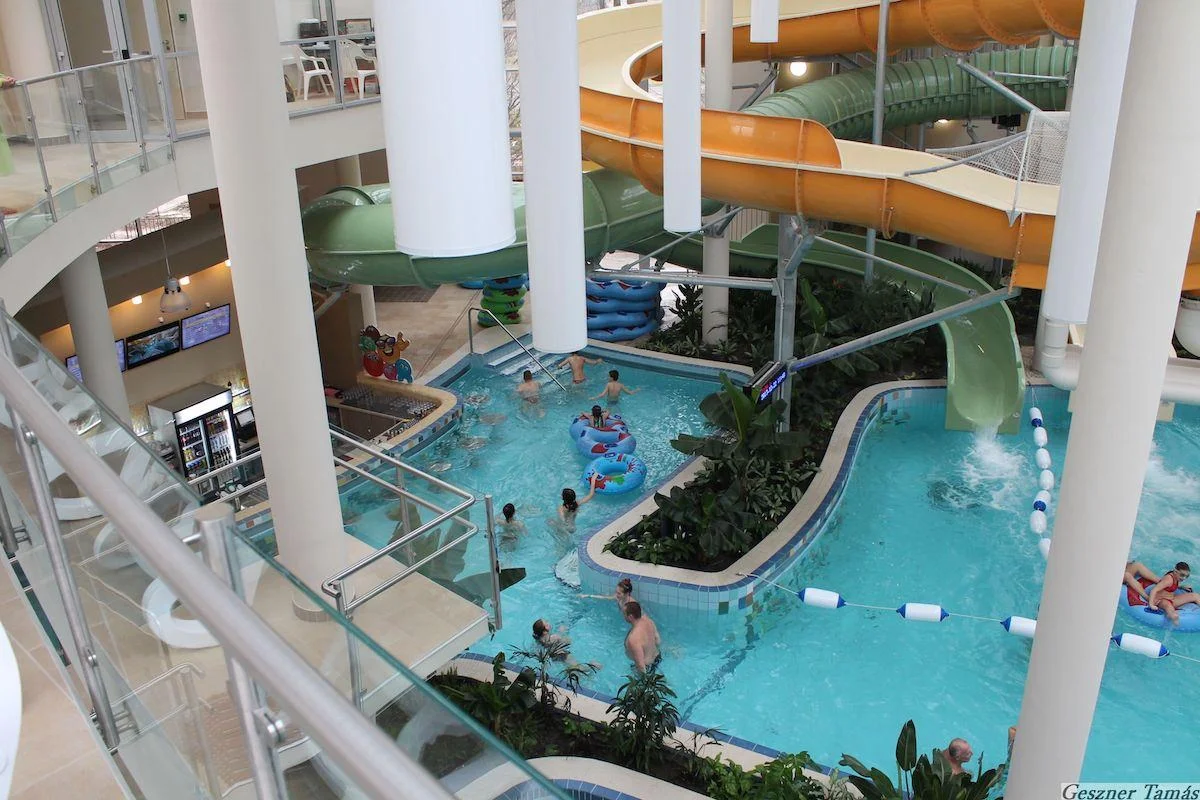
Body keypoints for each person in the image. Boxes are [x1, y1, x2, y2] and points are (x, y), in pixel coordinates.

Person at [1146, 561, 1200, 626]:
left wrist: (1181, 587)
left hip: (1172, 599)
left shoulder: (1176, 577)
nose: (1184, 578)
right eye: (1182, 575)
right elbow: (1154, 590)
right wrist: (1151, 605)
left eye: (1187, 576)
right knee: (1170, 609)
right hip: (1161, 601)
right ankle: (1174, 620)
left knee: (1195, 596)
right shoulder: (1168, 580)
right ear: (1175, 571)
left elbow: (1170, 586)